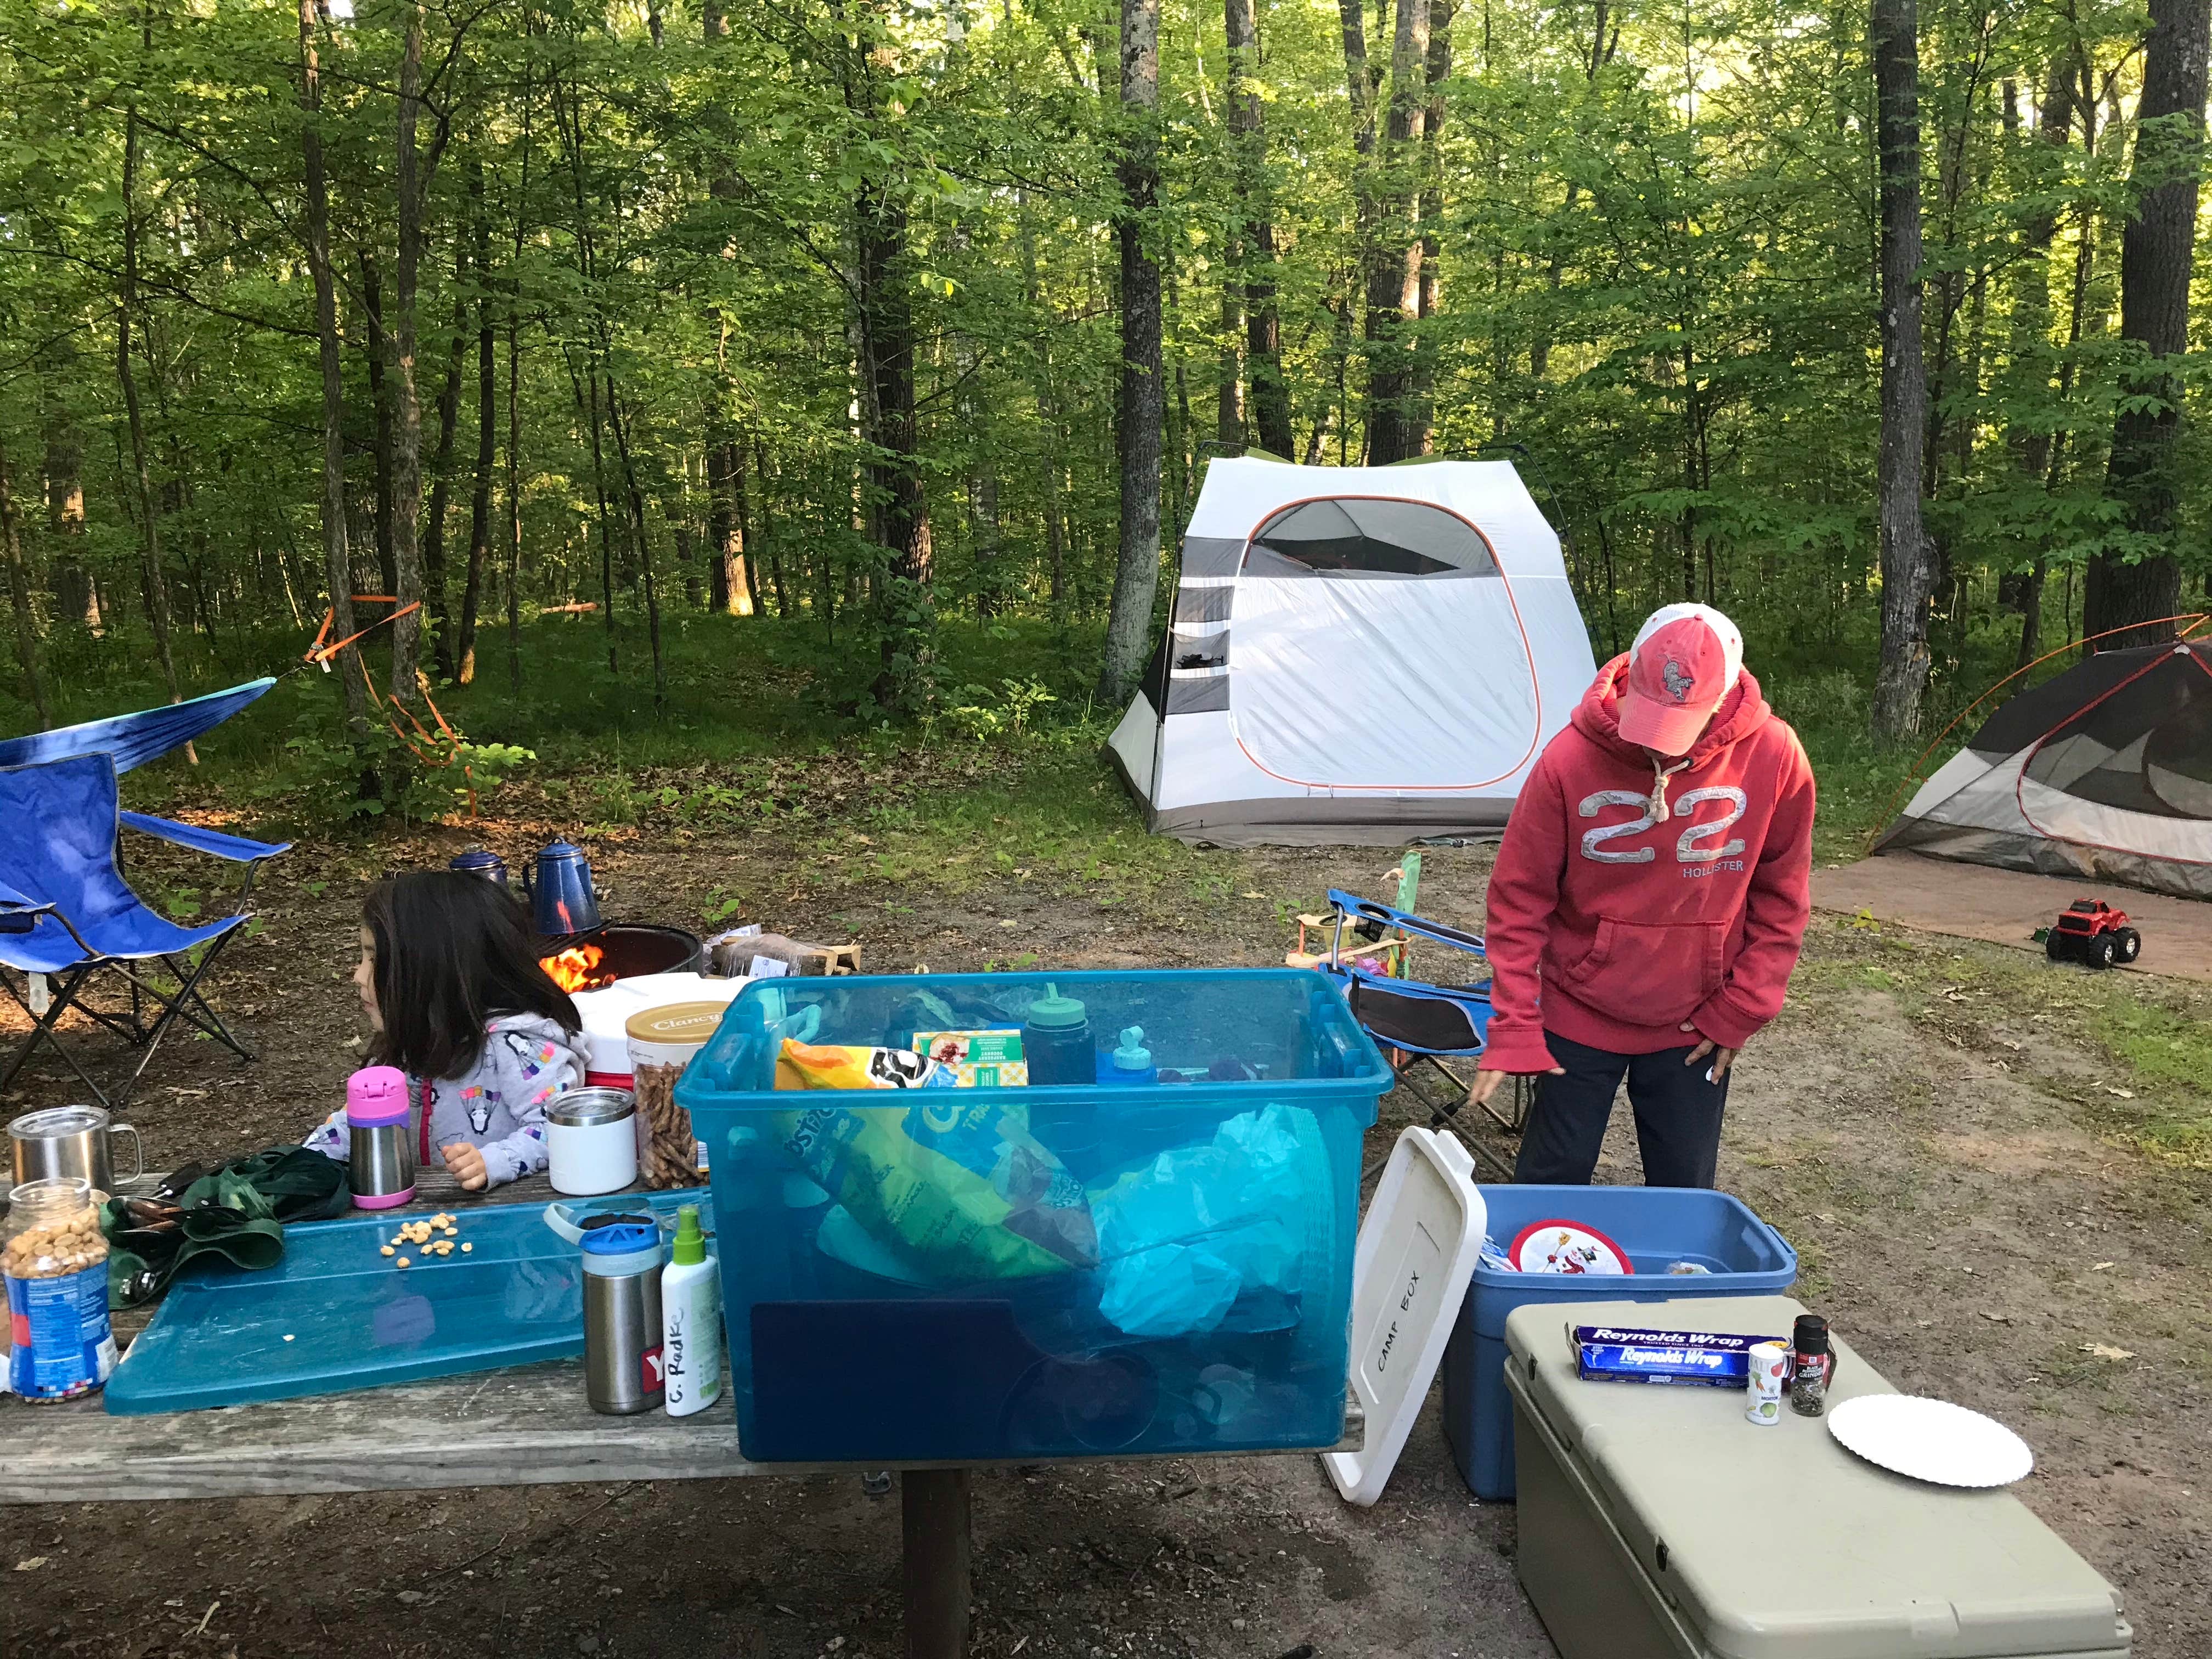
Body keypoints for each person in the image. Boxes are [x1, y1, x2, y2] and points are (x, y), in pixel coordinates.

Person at [1466, 603, 1814, 1188]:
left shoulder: (1776, 757)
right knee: (1552, 1177)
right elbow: (1517, 903)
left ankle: (1673, 1284)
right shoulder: (1567, 761)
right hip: (1578, 1011)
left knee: (1684, 1184)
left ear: (1724, 695)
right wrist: (1516, 1024)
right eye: (1649, 722)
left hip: (1696, 1021)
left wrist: (1743, 1008)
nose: (1662, 750)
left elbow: (1783, 895)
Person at [307, 871, 589, 1191]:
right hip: (424, 1219)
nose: (358, 976)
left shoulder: (515, 1047)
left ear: (430, 967)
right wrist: (306, 1166)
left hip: (508, 1217)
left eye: (373, 958)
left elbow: (560, 1127)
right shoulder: (406, 1046)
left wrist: (494, 1161)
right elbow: (357, 1127)